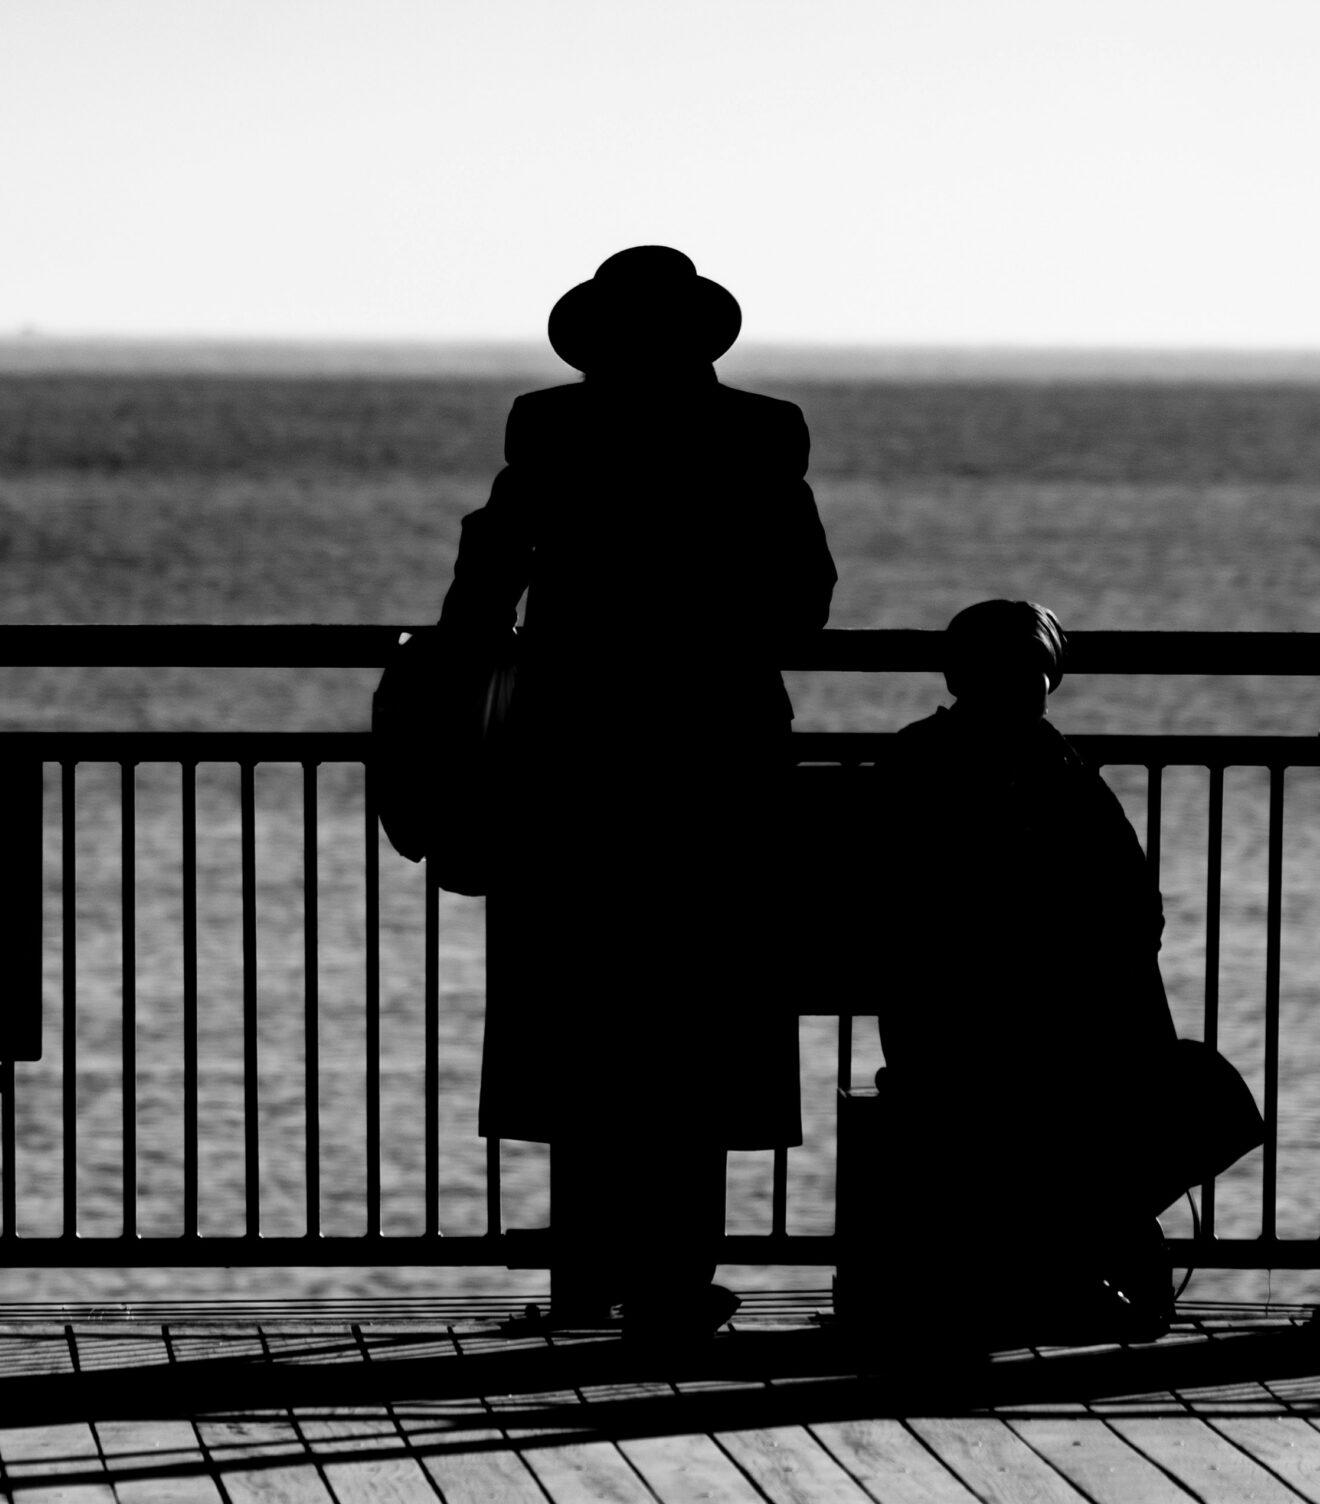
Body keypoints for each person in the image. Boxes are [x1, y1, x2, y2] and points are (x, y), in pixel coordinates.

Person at [435, 246, 837, 1338]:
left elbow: (486, 579)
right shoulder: (762, 433)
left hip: (571, 755)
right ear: (701, 336)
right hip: (718, 755)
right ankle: (674, 1281)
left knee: (578, 1015)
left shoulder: (549, 429)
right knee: (699, 1022)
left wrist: (454, 689)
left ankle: (583, 1279)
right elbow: (803, 602)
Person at [868, 600, 1178, 1337]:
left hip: (953, 1011)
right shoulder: (1048, 767)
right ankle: (1075, 1265)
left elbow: (1132, 904)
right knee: (1084, 1075)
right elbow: (1131, 900)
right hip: (962, 1014)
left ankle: (1058, 1267)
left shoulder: (931, 755)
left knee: (1076, 1062)